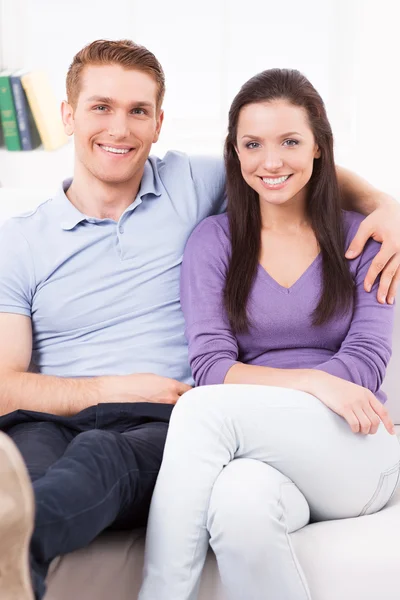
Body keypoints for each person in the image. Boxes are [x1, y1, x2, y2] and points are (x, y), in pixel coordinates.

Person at [0, 41, 399, 600]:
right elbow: (5, 386)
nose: (120, 127)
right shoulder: (19, 240)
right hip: (62, 418)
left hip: (167, 421)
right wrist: (109, 387)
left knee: (126, 446)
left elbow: (292, 165)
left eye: (138, 110)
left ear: (159, 122)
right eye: (100, 107)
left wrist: (389, 205)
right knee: (232, 503)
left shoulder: (192, 186)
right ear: (67, 115)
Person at [138, 68, 400, 600]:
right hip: (260, 455)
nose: (271, 161)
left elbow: (368, 362)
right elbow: (211, 367)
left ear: (320, 147)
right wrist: (312, 382)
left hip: (354, 445)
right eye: (252, 144)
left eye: (290, 142)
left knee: (195, 410)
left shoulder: (365, 236)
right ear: (234, 153)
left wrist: (314, 391)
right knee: (238, 503)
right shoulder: (212, 243)